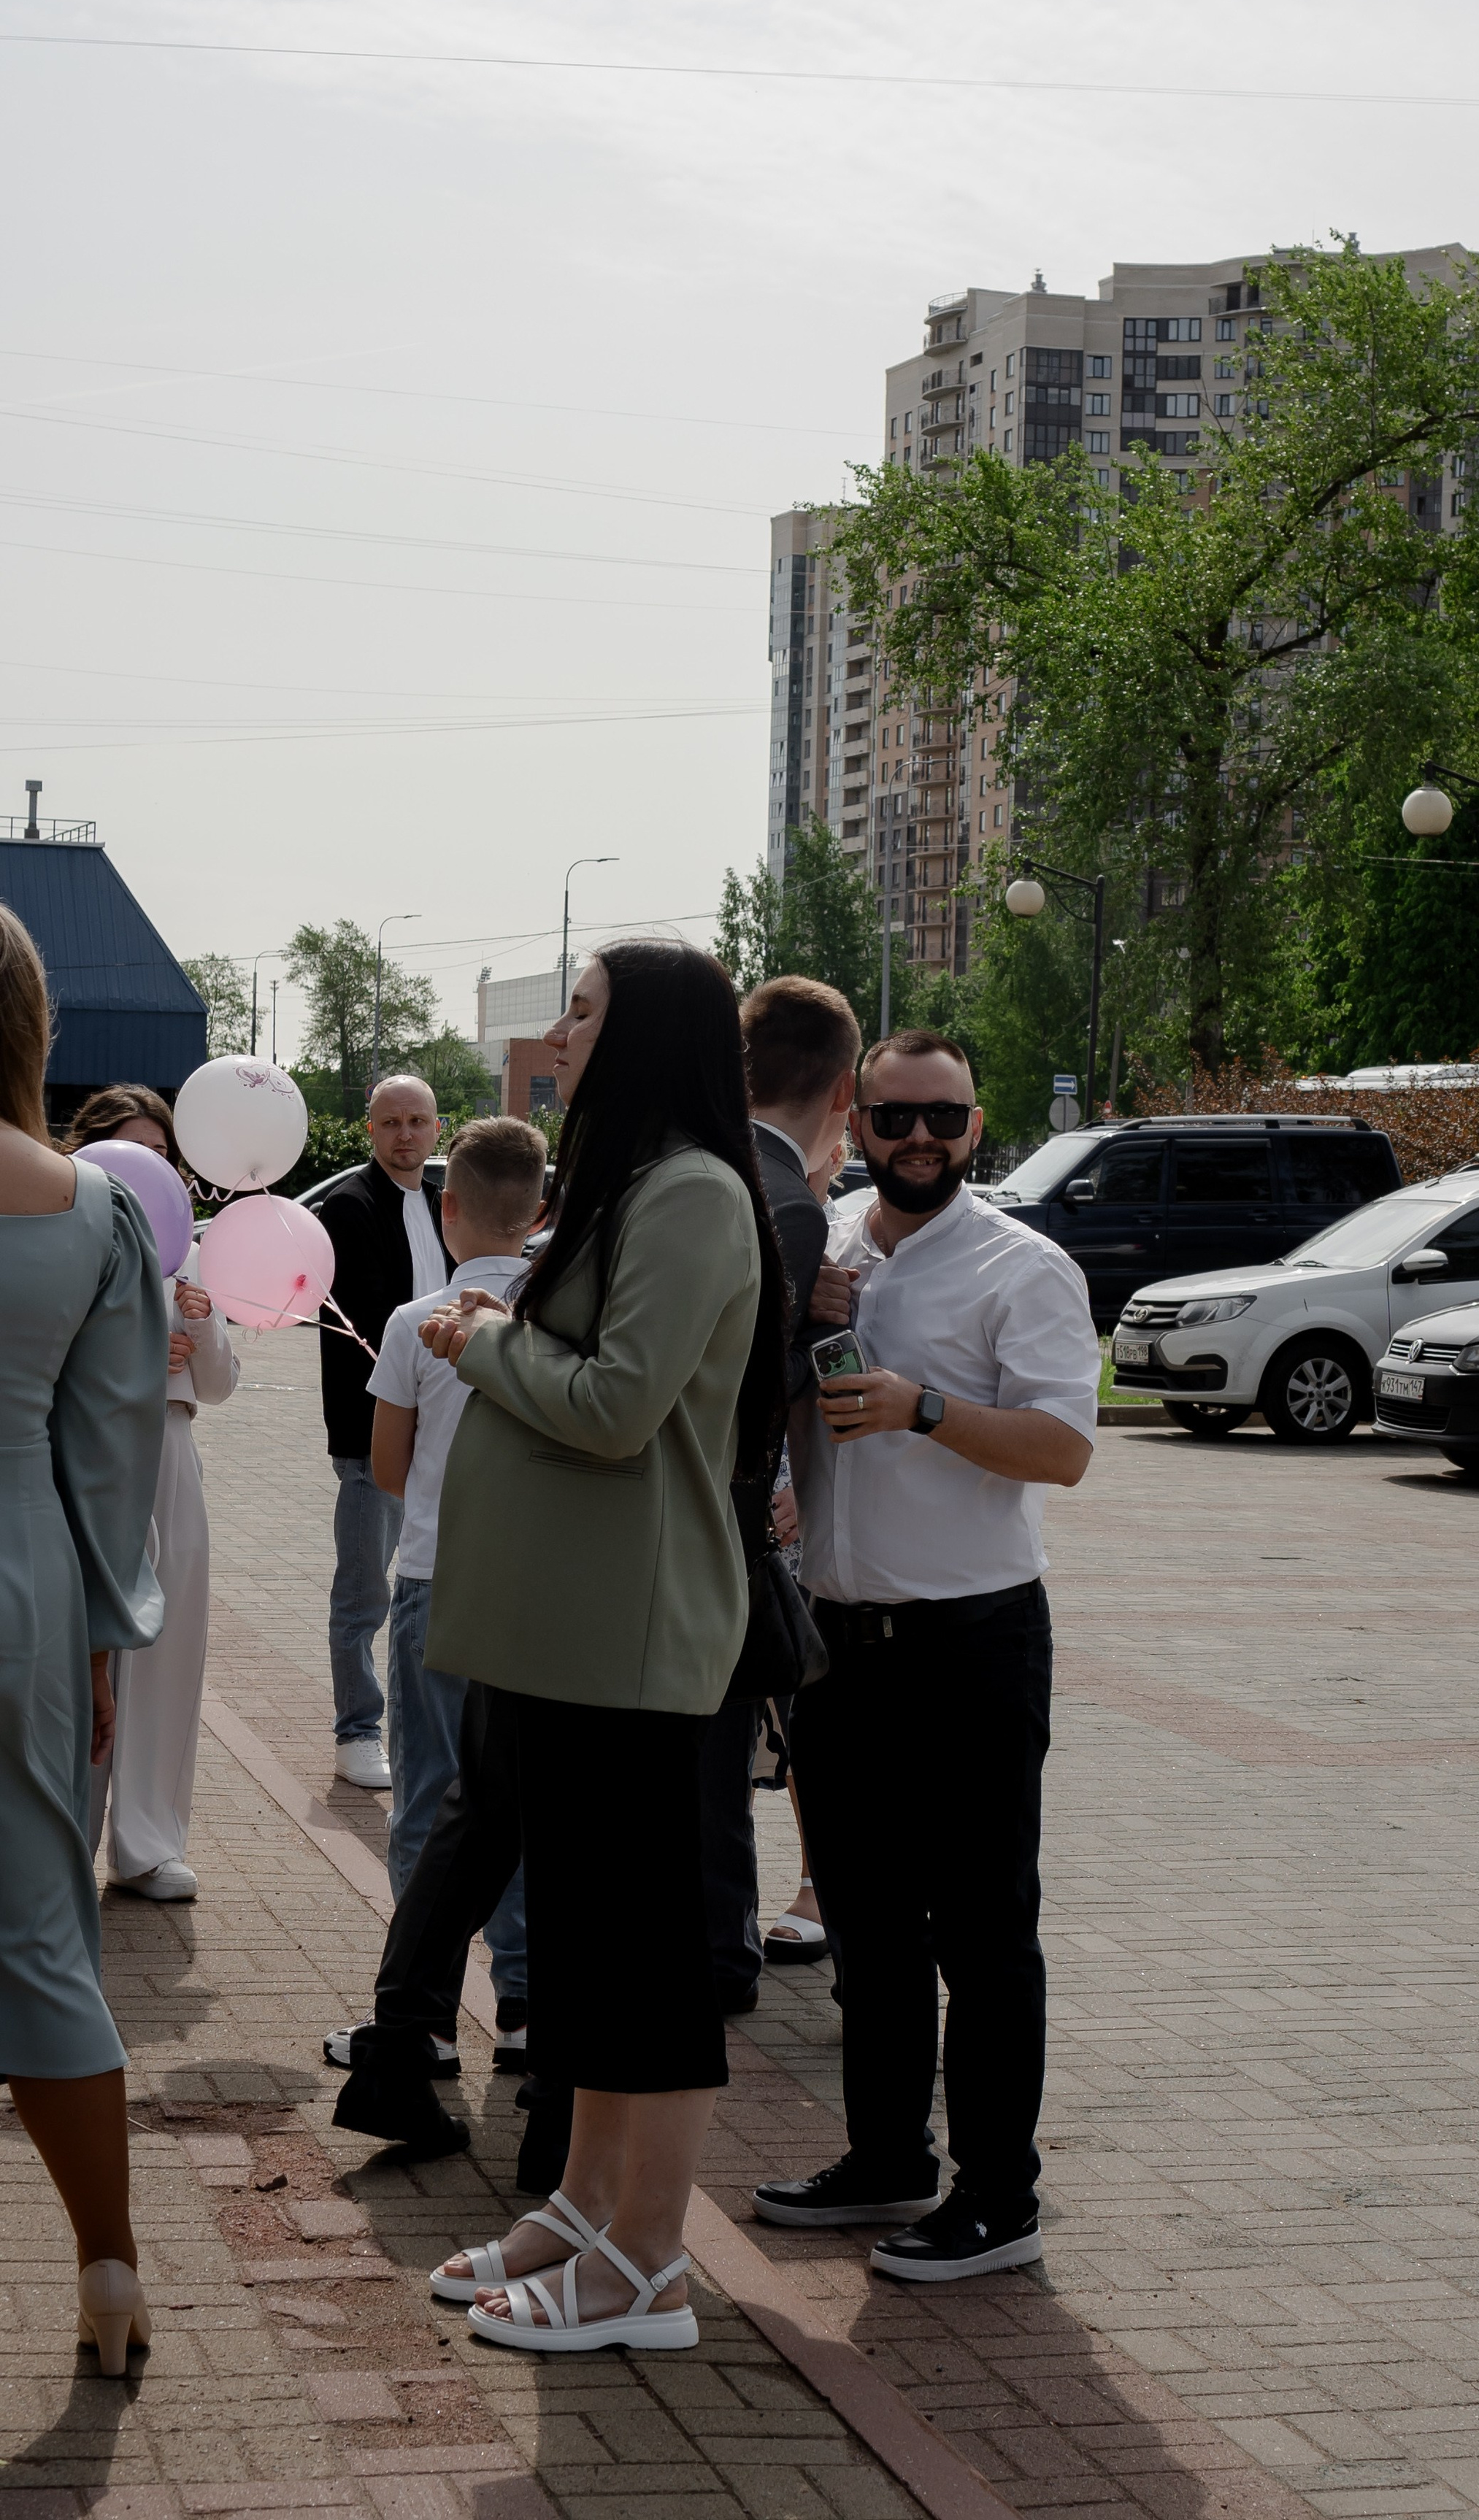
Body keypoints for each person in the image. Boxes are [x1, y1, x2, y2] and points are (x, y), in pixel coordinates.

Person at [415, 939, 787, 2356]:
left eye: (583, 1013)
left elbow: (622, 1404)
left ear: (648, 1037)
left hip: (633, 1640)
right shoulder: (634, 1183)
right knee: (581, 1948)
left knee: (642, 1960)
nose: (560, 1035)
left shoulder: (688, 1193)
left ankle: (646, 2264)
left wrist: (486, 1338)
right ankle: (579, 2212)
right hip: (571, 1639)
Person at [753, 1029, 1099, 2283]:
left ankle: (999, 2194)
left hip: (971, 1641)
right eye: (895, 1116)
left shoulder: (1025, 1267)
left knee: (983, 1933)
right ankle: (886, 2156)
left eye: (942, 1121)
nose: (918, 1140)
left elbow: (1062, 1448)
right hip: (841, 1641)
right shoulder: (828, 1238)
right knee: (869, 1926)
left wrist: (925, 1407)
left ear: (977, 1124)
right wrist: (805, 1323)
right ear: (860, 1111)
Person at [0, 909, 169, 2375]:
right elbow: (110, 1459)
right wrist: (107, 1642)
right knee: (43, 1930)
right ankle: (108, 2267)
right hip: (26, 1590)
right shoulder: (96, 1209)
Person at [364, 1117, 545, 2045]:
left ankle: (422, 2014)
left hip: (437, 1572)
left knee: (431, 1795)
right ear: (540, 1210)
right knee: (514, 1797)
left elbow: (388, 1467)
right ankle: (521, 2000)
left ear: (448, 1208)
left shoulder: (413, 1321)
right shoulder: (557, 1317)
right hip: (532, 1592)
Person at [697, 974, 858, 2008]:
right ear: (843, 1088)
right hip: (730, 1522)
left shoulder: (698, 1165)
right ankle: (722, 1956)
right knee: (730, 1743)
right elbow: (744, 1383)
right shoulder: (787, 1203)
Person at [69, 1085, 240, 1905]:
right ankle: (73, 1830)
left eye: (163, 1156)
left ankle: (148, 1841)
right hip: (91, 1456)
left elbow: (220, 1383)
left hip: (171, 1449)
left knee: (170, 1648)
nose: (151, 1173)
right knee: (89, 1649)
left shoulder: (192, 1251)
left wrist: (200, 1326)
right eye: (134, 1154)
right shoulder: (68, 1232)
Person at [315, 1074, 444, 1789]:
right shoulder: (350, 1205)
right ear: (371, 1129)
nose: (404, 1134)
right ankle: (357, 1731)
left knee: (434, 1592)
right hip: (377, 1437)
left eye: (417, 1121)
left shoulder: (443, 1203)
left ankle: (425, 1731)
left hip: (451, 1431)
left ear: (436, 1129)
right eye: (390, 1122)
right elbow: (363, 1322)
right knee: (366, 1593)